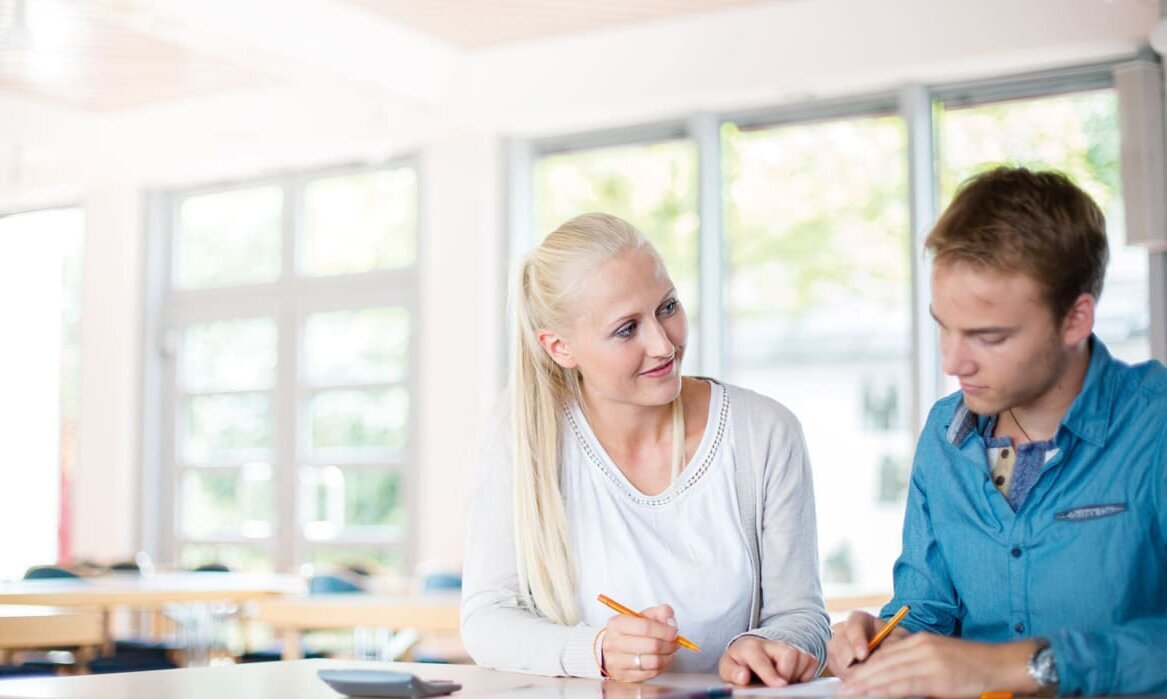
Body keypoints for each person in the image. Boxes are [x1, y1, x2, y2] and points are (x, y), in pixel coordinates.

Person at [827, 167, 1167, 697]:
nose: (953, 362)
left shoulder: (1156, 424)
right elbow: (926, 608)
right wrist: (887, 641)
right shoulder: (945, 433)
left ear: (1076, 319)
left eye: (988, 336)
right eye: (944, 326)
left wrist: (1023, 665)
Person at [460, 213, 829, 685]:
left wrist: (767, 646)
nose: (663, 344)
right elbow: (487, 619)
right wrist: (595, 650)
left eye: (668, 307)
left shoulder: (765, 433)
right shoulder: (522, 434)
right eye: (627, 329)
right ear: (559, 348)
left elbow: (804, 617)